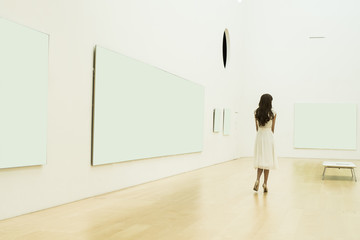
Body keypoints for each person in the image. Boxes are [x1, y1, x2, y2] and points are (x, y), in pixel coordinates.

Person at [253, 94, 278, 192]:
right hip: (268, 136)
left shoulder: (256, 112)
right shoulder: (273, 113)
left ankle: (257, 180)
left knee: (260, 160)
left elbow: (256, 128)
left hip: (260, 136)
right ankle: (265, 183)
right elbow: (273, 129)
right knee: (267, 161)